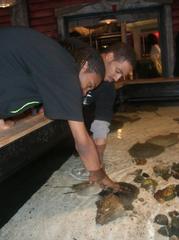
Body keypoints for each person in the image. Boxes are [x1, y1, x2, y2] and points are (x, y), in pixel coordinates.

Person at [0, 26, 119, 190]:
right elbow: (82, 141)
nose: (84, 94)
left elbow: (6, 68)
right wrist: (99, 174)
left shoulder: (49, 57)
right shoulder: (66, 70)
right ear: (84, 66)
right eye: (88, 86)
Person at [64, 40, 136, 180]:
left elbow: (101, 125)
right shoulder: (78, 61)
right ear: (108, 56)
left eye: (121, 76)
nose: (117, 78)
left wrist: (99, 160)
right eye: (117, 71)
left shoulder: (108, 87)